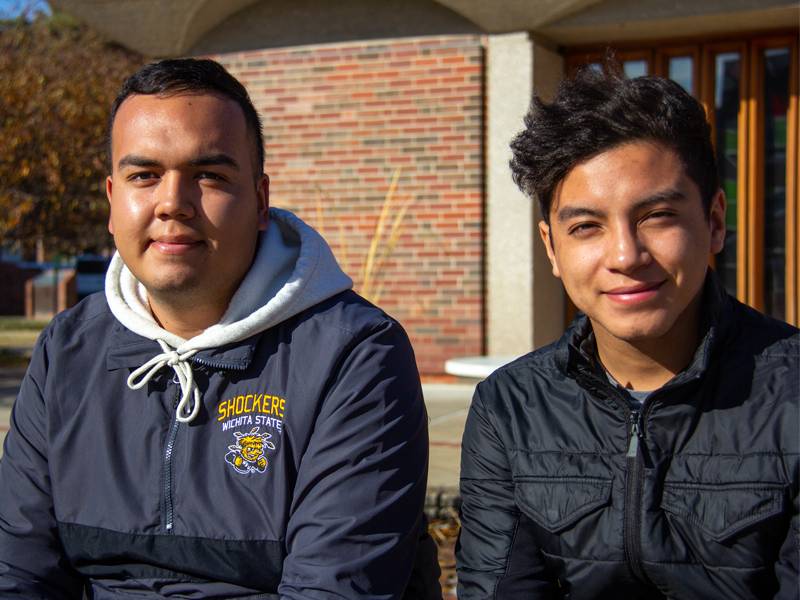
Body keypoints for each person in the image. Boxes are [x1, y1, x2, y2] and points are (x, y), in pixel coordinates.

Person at [0, 58, 441, 599]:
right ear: (113, 201)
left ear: (259, 201)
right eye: (145, 175)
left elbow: (334, 589)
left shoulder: (353, 354)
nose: (172, 204)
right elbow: (18, 574)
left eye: (208, 175)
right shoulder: (66, 351)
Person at [456, 67, 798, 599]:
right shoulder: (510, 406)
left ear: (714, 221)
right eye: (586, 227)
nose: (625, 256)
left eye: (657, 215)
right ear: (551, 248)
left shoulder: (792, 393)